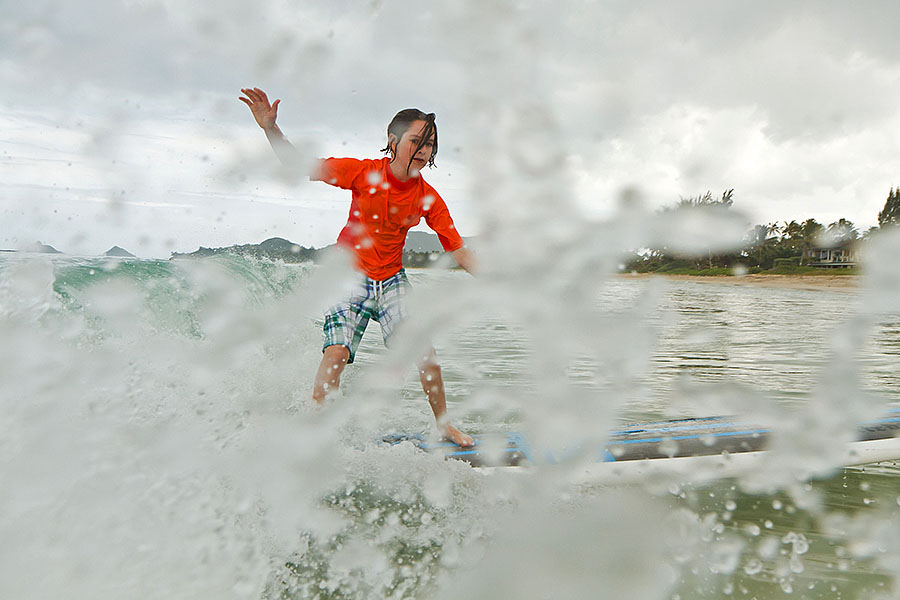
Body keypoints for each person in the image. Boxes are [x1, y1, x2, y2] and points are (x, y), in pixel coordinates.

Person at [239, 87, 475, 446]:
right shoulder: (363, 174)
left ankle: (444, 425)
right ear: (392, 140)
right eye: (417, 141)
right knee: (336, 352)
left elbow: (458, 250)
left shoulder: (428, 197)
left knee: (424, 354)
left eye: (429, 145)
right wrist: (270, 129)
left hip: (392, 280)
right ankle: (314, 434)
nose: (424, 152)